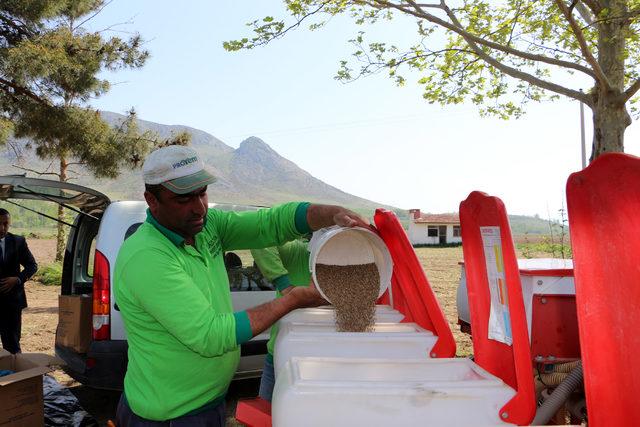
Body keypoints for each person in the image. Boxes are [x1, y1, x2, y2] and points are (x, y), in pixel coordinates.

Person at [114, 145, 369, 426]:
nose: (198, 207)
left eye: (202, 193)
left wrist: (331, 213)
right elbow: (210, 335)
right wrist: (292, 299)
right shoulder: (147, 256)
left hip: (205, 402)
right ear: (152, 200)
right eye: (183, 198)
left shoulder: (206, 226)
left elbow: (268, 224)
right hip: (170, 416)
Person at [250, 238, 311, 402]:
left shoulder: (351, 272)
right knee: (265, 415)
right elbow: (260, 238)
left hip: (322, 362)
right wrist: (285, 285)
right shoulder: (299, 252)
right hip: (279, 360)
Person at [0, 208, 38, 354]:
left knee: (13, 347)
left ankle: (15, 376)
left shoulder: (18, 242)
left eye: (5, 224)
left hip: (12, 304)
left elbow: (32, 266)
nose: (2, 228)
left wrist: (17, 279)